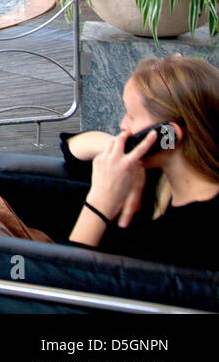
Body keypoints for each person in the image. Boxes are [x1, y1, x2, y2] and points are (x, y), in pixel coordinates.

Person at [60, 56, 219, 269]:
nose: (122, 124)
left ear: (168, 135)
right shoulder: (160, 172)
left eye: (132, 116)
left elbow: (64, 280)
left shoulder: (188, 234)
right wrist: (118, 146)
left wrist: (99, 205)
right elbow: (72, 149)